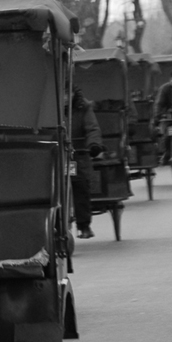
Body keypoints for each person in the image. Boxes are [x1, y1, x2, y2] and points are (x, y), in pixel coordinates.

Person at [67, 85, 103, 239]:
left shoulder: (84, 107)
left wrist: (94, 145)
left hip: (76, 155)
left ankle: (84, 225)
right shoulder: (47, 106)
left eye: (67, 93)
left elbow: (92, 129)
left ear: (73, 93)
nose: (64, 97)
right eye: (61, 93)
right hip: (53, 154)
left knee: (80, 185)